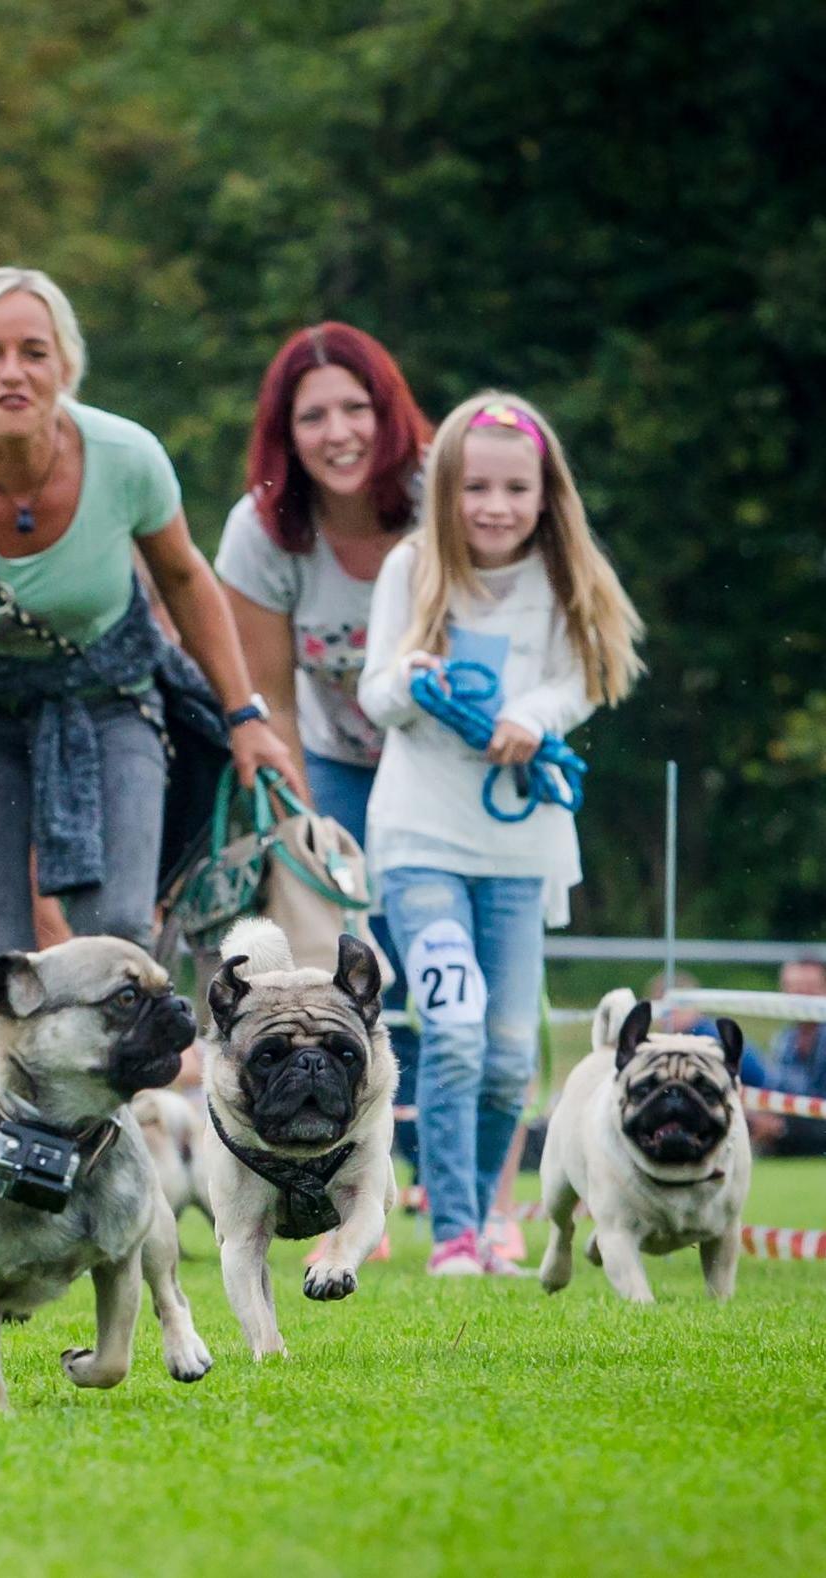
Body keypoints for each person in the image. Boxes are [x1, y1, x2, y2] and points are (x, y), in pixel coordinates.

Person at [0, 266, 297, 966]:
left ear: (65, 365)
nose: (12, 374)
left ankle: (119, 1075)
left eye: (33, 353)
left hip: (112, 696)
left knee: (118, 934)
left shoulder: (127, 458)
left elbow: (185, 580)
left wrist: (245, 718)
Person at [360, 393, 644, 1276]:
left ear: (544, 493)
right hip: (420, 842)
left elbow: (589, 678)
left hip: (521, 852)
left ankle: (487, 1216)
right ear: (444, 491)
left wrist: (530, 713)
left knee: (509, 1051)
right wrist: (412, 676)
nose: (493, 506)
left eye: (513, 488)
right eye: (474, 487)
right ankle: (450, 1231)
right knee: (451, 1025)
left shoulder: (564, 579)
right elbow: (374, 693)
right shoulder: (411, 570)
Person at [215, 322, 435, 1172]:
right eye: (313, 417)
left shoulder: (435, 504)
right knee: (345, 970)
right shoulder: (263, 530)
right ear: (285, 432)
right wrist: (308, 840)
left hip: (435, 766)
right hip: (330, 764)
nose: (338, 432)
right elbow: (270, 706)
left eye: (356, 409)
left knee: (434, 966)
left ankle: (443, 1175)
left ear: (388, 415)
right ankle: (341, 1168)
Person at [744, 956, 826, 1156]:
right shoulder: (784, 1040)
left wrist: (781, 1127)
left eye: (809, 988)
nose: (799, 996)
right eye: (793, 988)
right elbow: (776, 1088)